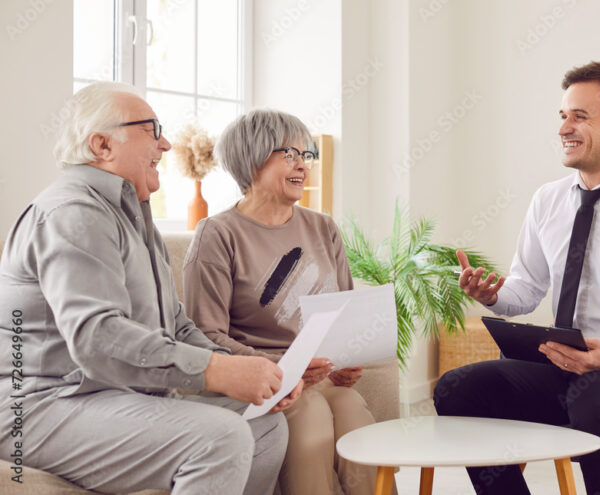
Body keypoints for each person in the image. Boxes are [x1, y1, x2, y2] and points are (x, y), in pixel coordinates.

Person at [0, 82, 298, 495]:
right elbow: (97, 340)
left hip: (113, 394)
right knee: (221, 436)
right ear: (102, 144)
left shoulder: (135, 218)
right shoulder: (72, 213)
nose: (166, 143)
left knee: (264, 421)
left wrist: (249, 371)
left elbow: (176, 325)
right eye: (151, 129)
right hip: (42, 405)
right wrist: (217, 372)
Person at [433, 62, 600, 495]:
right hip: (561, 364)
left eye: (579, 116)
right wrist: (493, 296)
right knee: (456, 388)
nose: (564, 127)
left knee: (593, 394)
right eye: (563, 115)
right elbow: (526, 290)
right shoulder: (548, 200)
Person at [182, 109, 379, 495]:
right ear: (252, 158)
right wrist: (281, 368)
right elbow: (203, 335)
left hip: (317, 378)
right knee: (310, 415)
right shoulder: (217, 235)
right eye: (289, 154)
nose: (302, 165)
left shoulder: (323, 227)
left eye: (306, 155)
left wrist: (344, 360)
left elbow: (343, 313)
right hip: (261, 383)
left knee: (353, 410)